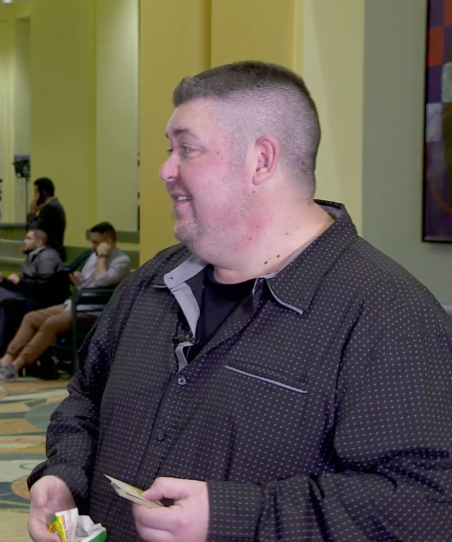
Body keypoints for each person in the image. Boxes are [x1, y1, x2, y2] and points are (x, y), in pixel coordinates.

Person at [27, 61, 452, 542]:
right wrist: (64, 474)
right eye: (169, 150)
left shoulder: (385, 314)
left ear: (261, 160)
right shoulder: (153, 283)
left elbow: (428, 505)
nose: (165, 170)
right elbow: (84, 400)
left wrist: (235, 516)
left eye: (186, 149)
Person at [0, 222, 130, 382]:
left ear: (109, 240)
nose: (93, 246)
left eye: (96, 242)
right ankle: (5, 360)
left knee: (50, 323)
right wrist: (79, 280)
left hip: (93, 310)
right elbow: (88, 283)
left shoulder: (122, 261)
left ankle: (15, 366)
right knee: (31, 318)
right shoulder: (94, 256)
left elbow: (101, 281)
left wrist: (103, 256)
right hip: (74, 304)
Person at [0, 229, 67, 366]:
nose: (25, 241)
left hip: (45, 303)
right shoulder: (30, 257)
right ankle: (8, 299)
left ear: (39, 242)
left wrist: (20, 282)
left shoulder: (47, 257)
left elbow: (45, 287)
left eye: (28, 238)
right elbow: (24, 286)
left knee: (9, 308)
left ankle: (1, 355)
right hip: (30, 297)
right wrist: (4, 281)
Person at [27, 177, 66, 259]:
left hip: (49, 255)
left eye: (36, 193)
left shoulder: (49, 208)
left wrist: (32, 213)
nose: (34, 197)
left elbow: (34, 231)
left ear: (44, 194)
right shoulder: (54, 205)